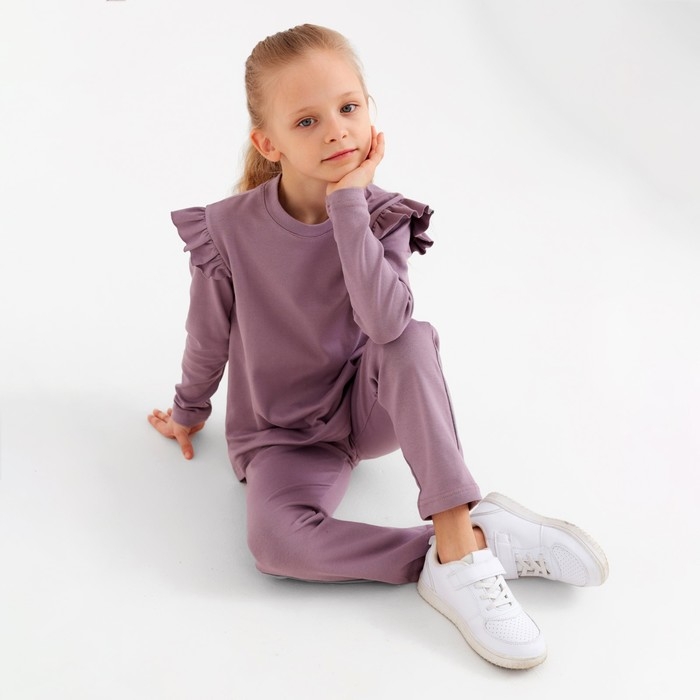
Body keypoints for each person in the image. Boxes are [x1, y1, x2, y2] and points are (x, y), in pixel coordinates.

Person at [148, 23, 608, 670]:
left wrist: (348, 206)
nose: (336, 131)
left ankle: (456, 535)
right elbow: (208, 336)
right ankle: (468, 546)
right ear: (268, 143)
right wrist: (189, 410)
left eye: (348, 108)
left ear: (369, 112)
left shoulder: (381, 213)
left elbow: (387, 324)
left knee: (411, 340)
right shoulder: (227, 230)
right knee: (276, 547)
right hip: (282, 439)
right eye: (306, 121)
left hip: (368, 414)